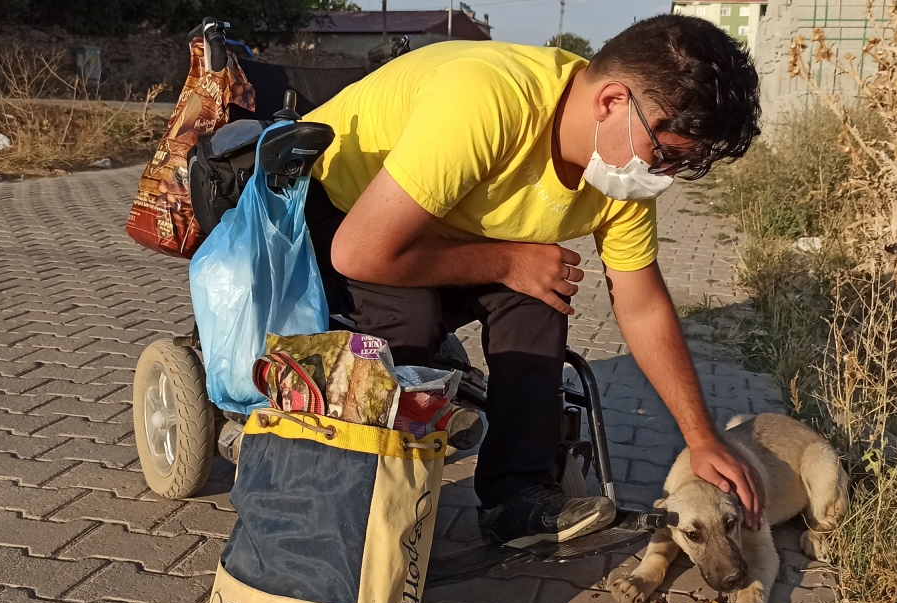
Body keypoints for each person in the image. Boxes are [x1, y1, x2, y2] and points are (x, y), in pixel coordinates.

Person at [301, 14, 763, 546]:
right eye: (665, 155)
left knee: (543, 288)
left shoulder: (619, 177)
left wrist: (702, 437)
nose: (664, 176)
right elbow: (359, 252)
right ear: (611, 102)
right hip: (334, 210)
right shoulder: (487, 102)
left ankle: (516, 496)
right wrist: (506, 263)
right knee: (411, 316)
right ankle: (366, 497)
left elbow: (642, 305)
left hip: (436, 230)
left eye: (682, 165)